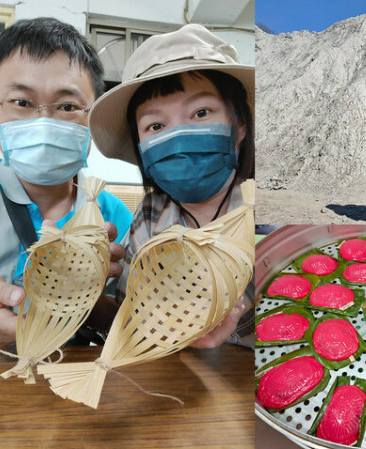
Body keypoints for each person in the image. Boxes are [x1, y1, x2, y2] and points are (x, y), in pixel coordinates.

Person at [88, 24, 255, 349]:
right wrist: (86, 296)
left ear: (240, 128)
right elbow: (125, 313)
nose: (177, 137)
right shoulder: (151, 216)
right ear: (141, 148)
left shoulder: (261, 213)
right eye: (156, 125)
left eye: (201, 112)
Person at [0, 17, 133, 346]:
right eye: (22, 102)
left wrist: (90, 303)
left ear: (92, 118)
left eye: (67, 106)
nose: (43, 122)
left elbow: (125, 324)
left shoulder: (117, 218)